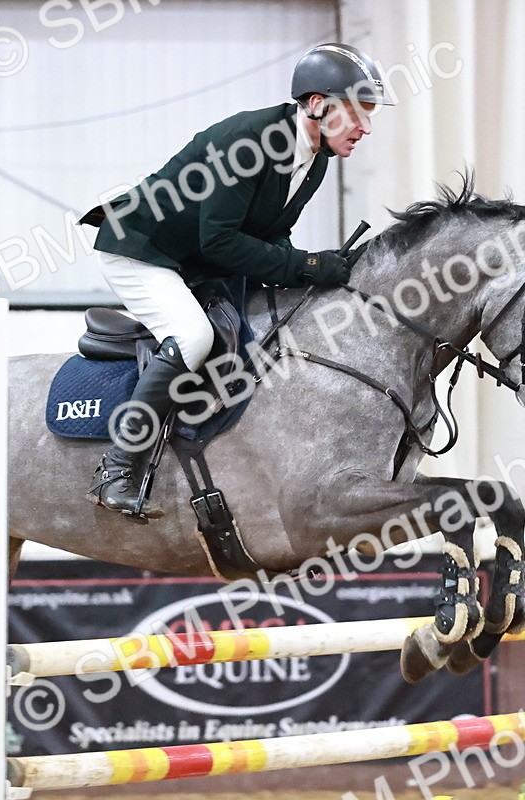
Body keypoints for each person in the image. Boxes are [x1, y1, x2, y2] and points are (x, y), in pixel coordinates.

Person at [85, 43, 395, 517]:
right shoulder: (246, 143)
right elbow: (222, 243)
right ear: (316, 104)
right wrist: (307, 266)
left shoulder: (317, 155)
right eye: (356, 112)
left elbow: (271, 233)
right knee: (192, 336)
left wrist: (313, 269)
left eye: (369, 113)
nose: (366, 128)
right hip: (142, 250)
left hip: (196, 259)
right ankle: (118, 467)